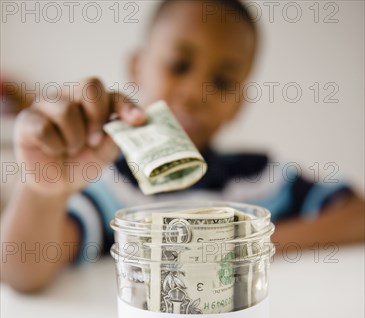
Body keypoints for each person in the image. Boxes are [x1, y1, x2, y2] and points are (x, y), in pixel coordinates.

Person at [1, 0, 364, 292]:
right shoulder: (110, 185)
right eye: (178, 65)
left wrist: (247, 246)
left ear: (239, 102)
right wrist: (42, 191)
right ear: (137, 67)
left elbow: (357, 215)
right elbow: (23, 268)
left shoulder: (261, 178)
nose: (195, 93)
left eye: (222, 81)